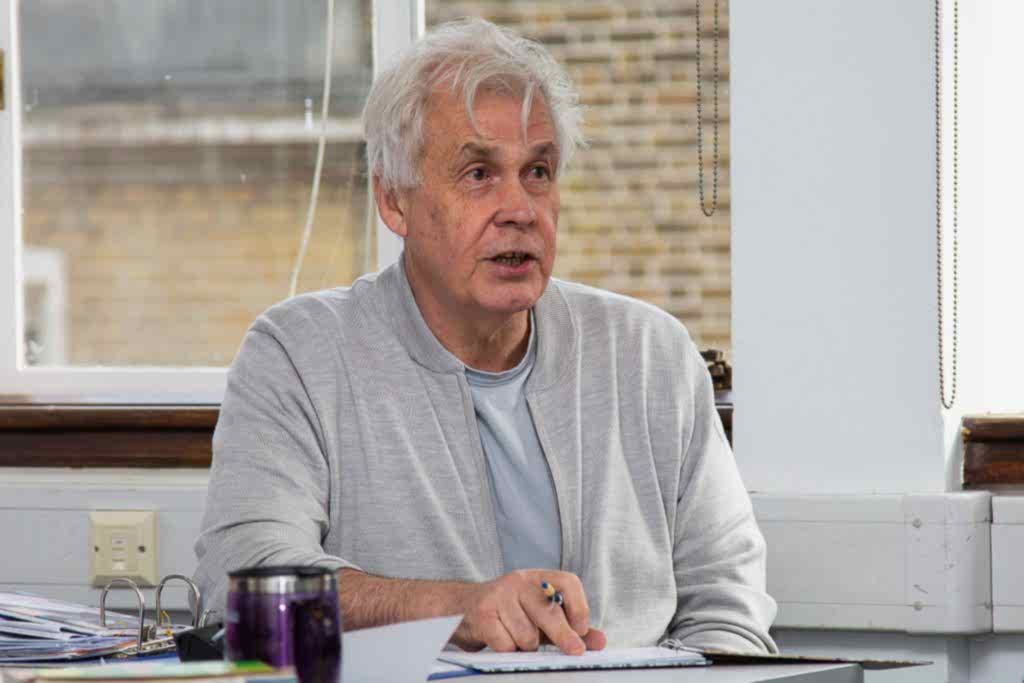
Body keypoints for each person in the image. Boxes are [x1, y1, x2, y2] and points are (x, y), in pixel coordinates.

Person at [194, 17, 777, 656]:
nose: (520, 208)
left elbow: (729, 611)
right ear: (394, 202)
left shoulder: (651, 355)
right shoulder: (298, 355)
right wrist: (455, 608)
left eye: (538, 172)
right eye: (478, 174)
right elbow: (243, 591)